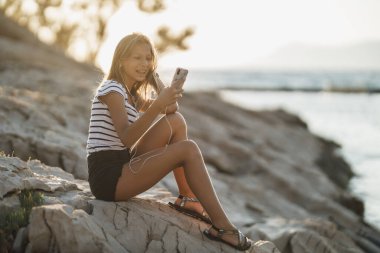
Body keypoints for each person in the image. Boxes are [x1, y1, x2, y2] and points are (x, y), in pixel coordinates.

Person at [86, 33, 251, 251]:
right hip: (109, 178)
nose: (143, 63)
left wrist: (156, 81)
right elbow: (126, 137)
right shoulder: (112, 90)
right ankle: (223, 228)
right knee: (188, 149)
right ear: (120, 60)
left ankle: (187, 199)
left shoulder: (129, 93)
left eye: (148, 58)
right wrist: (156, 106)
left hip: (122, 163)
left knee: (176, 122)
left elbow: (171, 110)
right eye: (137, 58)